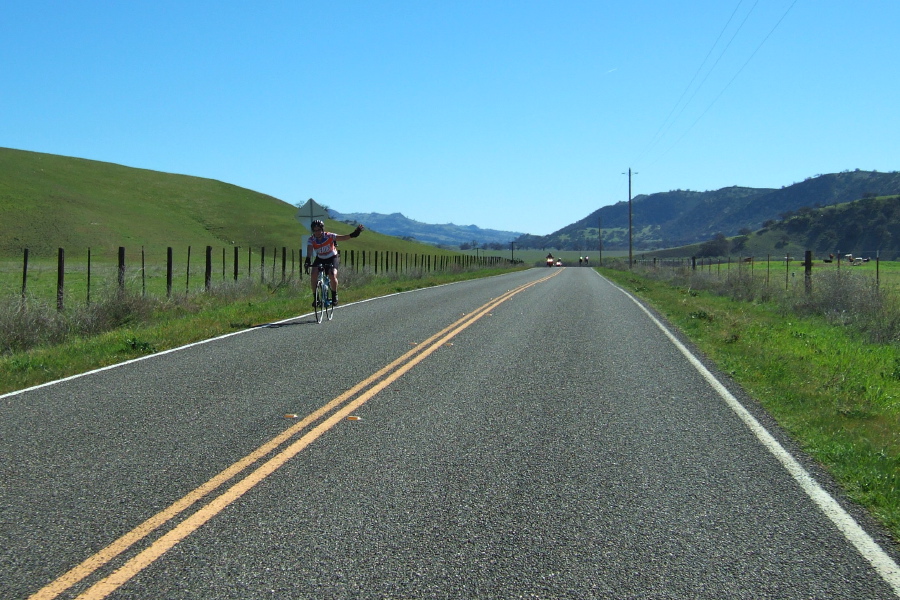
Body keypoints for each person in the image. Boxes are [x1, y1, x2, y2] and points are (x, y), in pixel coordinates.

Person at [304, 219, 364, 306]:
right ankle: (316, 298)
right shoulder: (311, 239)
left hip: (332, 257)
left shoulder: (329, 236)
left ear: (322, 229)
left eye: (319, 230)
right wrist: (307, 260)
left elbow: (343, 237)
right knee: (313, 274)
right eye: (315, 230)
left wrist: (353, 234)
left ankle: (334, 294)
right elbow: (309, 250)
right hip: (320, 258)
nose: (317, 232)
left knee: (332, 274)